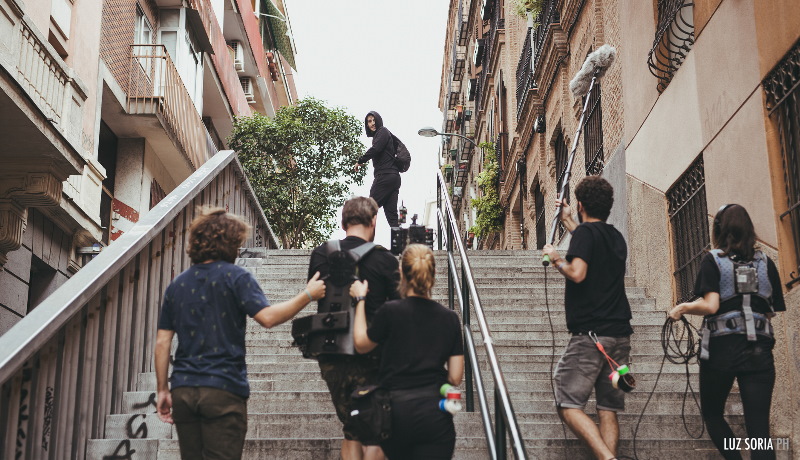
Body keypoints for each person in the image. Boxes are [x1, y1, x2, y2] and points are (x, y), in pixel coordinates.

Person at [154, 208, 326, 460]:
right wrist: (307, 295)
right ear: (231, 243)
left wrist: (162, 390)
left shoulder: (177, 284)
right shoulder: (236, 277)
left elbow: (162, 343)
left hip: (184, 390)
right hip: (224, 389)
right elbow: (267, 318)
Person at [668, 204, 785, 460]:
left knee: (712, 414)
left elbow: (711, 305)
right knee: (759, 431)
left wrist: (682, 308)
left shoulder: (714, 259)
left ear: (719, 229)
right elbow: (768, 311)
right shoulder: (766, 263)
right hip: (759, 352)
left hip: (722, 350)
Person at [542, 176, 633, 460]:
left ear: (581, 204)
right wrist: (570, 221)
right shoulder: (615, 236)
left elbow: (578, 272)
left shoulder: (584, 236)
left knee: (567, 403)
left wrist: (556, 257)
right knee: (608, 408)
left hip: (592, 337)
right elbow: (589, 240)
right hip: (620, 335)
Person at [351, 244, 465, 460]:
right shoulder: (449, 318)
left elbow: (361, 344)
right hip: (435, 415)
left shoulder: (389, 311)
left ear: (401, 273)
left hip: (396, 413)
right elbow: (455, 376)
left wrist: (360, 300)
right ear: (433, 273)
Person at [308, 196, 400, 460]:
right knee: (377, 427)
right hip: (371, 353)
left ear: (343, 221)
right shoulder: (385, 259)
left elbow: (317, 296)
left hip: (330, 353)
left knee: (351, 427)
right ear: (373, 222)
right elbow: (397, 310)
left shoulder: (320, 254)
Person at [356, 111, 401, 227]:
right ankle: (401, 244)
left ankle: (359, 241)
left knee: (368, 209)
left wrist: (361, 161)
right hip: (393, 178)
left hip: (385, 176)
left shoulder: (382, 131)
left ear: (379, 120)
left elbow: (376, 149)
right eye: (369, 121)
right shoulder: (382, 134)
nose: (372, 123)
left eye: (374, 120)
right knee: (392, 216)